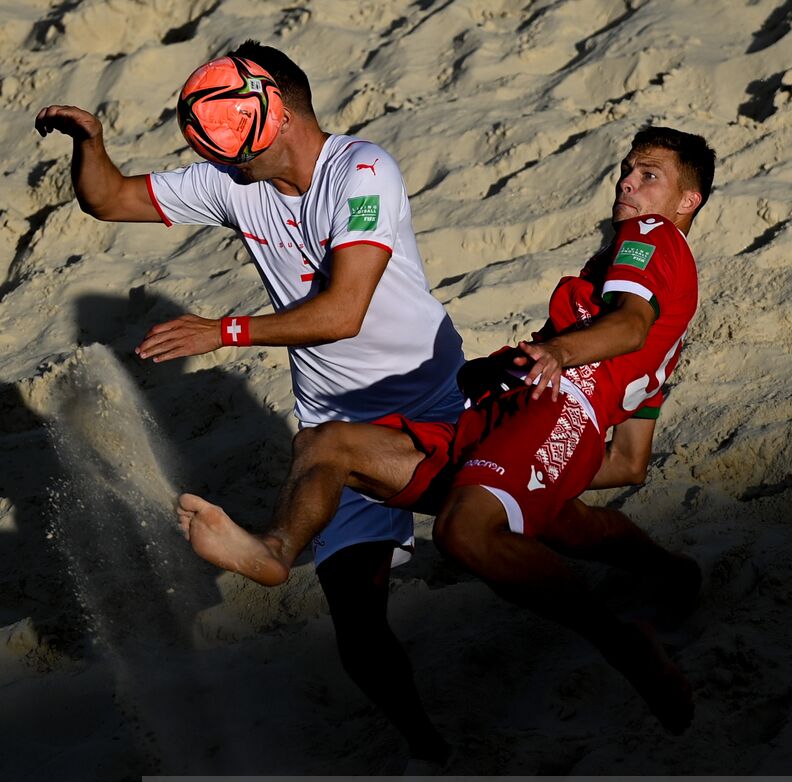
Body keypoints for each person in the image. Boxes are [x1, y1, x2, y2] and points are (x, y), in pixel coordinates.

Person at [178, 126, 717, 736]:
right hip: (516, 409)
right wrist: (544, 454)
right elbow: (631, 461)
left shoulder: (648, 236)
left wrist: (556, 355)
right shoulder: (664, 278)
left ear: (687, 201)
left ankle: (625, 646)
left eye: (650, 175)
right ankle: (275, 549)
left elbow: (629, 327)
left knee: (467, 530)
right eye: (627, 169)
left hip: (556, 403)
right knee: (327, 443)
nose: (627, 181)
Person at [36, 41, 465, 764]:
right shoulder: (238, 183)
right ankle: (432, 750)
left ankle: (665, 587)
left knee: (500, 537)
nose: (228, 167)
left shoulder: (363, 172)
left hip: (432, 398)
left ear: (286, 116)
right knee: (356, 620)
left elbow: (344, 312)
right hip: (334, 424)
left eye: (238, 150)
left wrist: (225, 330)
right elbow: (109, 199)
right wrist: (92, 144)